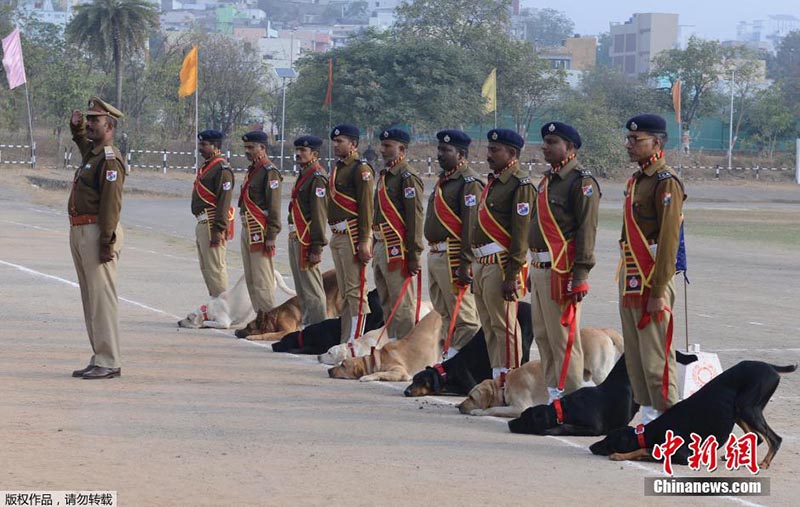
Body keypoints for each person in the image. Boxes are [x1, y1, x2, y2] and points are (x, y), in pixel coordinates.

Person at [619, 114, 686, 424]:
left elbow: (669, 239)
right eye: (629, 139)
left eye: (637, 140)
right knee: (635, 354)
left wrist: (659, 290)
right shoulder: (638, 180)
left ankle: (666, 419)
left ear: (656, 143)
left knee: (656, 354)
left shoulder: (665, 181)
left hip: (653, 276)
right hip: (632, 275)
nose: (629, 144)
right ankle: (647, 416)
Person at [529, 122, 600, 403]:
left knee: (564, 340)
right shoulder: (549, 180)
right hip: (538, 268)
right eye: (544, 141)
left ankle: (570, 400)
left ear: (570, 147)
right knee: (544, 337)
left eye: (552, 141)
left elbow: (586, 230)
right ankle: (553, 394)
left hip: (561, 271)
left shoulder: (581, 183)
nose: (545, 146)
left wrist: (581, 273)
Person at [68, 97, 126, 379]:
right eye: (88, 119)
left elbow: (111, 204)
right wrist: (76, 129)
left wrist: (107, 240)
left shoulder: (110, 160)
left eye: (95, 121)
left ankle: (109, 360)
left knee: (102, 299)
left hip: (97, 232)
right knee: (90, 299)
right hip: (81, 230)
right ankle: (99, 355)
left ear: (110, 127)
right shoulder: (93, 155)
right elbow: (83, 144)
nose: (90, 124)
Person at [472, 129, 535, 379]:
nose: (489, 154)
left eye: (494, 150)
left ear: (512, 153)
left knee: (505, 325)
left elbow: (521, 235)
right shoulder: (494, 182)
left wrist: (512, 273)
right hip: (482, 262)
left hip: (500, 263)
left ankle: (510, 378)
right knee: (488, 325)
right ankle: (497, 375)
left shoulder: (520, 185)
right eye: (489, 149)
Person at [424, 129, 482, 359]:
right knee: (444, 314)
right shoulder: (445, 181)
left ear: (461, 154)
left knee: (464, 317)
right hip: (436, 255)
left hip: (453, 256)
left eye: (446, 150)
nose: (440, 154)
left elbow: (470, 226)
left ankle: (461, 362)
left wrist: (465, 261)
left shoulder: (469, 183)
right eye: (439, 149)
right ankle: (447, 358)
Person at [372, 128, 424, 340]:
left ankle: (404, 347)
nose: (382, 150)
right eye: (382, 145)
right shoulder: (387, 175)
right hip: (380, 244)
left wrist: (414, 254)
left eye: (387, 146)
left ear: (401, 149)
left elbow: (414, 218)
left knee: (401, 303)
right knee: (386, 300)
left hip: (398, 247)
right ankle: (392, 343)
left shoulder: (407, 177)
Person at [327, 124, 374, 343]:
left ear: (353, 144)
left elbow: (366, 208)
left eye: (340, 141)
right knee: (345, 292)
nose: (335, 145)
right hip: (338, 234)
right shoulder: (339, 167)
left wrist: (364, 240)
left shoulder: (360, 169)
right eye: (334, 141)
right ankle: (345, 339)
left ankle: (356, 342)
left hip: (353, 234)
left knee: (356, 291)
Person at [234, 131, 283, 338]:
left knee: (263, 279)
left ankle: (270, 321)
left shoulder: (269, 172)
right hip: (248, 228)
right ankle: (260, 318)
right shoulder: (253, 170)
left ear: (262, 148)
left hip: (261, 231)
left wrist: (271, 235)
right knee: (252, 277)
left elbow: (274, 207)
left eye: (251, 147)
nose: (247, 151)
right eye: (245, 148)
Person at [288, 135, 329, 327]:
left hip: (307, 239)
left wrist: (317, 246)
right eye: (297, 150)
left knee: (312, 289)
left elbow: (319, 214)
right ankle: (306, 326)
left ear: (314, 154)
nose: (298, 154)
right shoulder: (304, 174)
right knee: (302, 289)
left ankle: (318, 328)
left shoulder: (317, 177)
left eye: (303, 150)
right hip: (296, 235)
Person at [192, 129, 234, 297]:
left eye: (204, 144)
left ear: (215, 146)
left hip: (212, 224)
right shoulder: (207, 166)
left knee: (215, 268)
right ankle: (215, 304)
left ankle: (223, 307)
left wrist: (219, 229)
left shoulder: (221, 169)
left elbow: (224, 201)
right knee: (207, 268)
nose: (200, 148)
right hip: (202, 222)